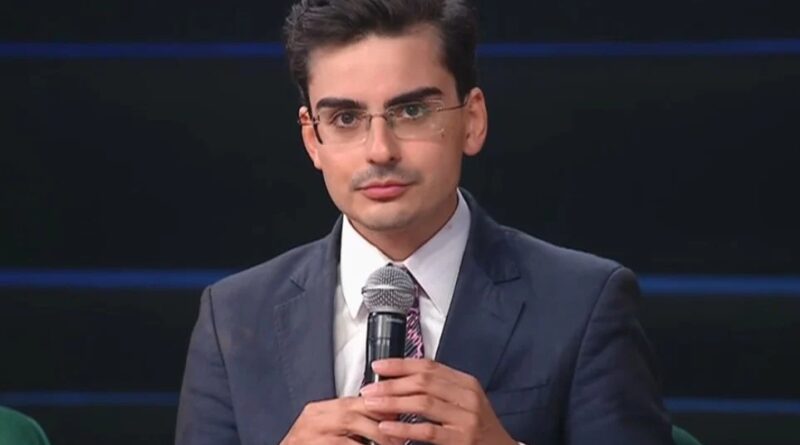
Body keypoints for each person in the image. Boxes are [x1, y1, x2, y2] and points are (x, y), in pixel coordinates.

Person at [175, 1, 673, 444]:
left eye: (411, 111)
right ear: (312, 139)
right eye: (346, 119)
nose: (380, 150)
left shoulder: (584, 304)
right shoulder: (233, 318)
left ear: (472, 120)